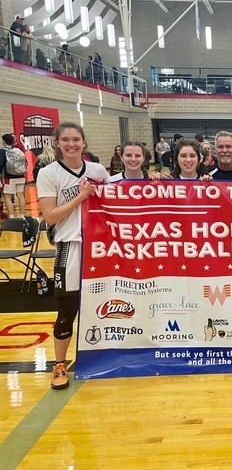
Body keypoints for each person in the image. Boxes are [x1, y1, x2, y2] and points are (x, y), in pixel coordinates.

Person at [36, 122, 109, 389]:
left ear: (84, 142)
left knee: (106, 304)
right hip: (71, 246)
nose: (71, 144)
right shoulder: (48, 173)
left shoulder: (97, 170)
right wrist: (81, 197)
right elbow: (50, 216)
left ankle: (103, 354)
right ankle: (59, 364)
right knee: (68, 309)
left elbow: (120, 197)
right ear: (57, 143)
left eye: (76, 139)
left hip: (101, 246)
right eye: (65, 140)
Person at [0, 133, 27, 218]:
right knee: (21, 196)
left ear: (4, 141)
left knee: (7, 197)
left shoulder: (3, 151)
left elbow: (0, 164)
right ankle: (22, 216)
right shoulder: (18, 150)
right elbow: (26, 162)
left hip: (9, 177)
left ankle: (11, 217)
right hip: (21, 176)